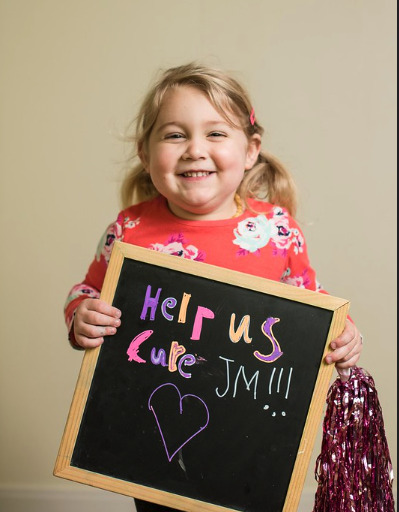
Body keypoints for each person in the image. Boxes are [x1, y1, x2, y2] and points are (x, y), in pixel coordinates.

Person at [64, 62, 363, 512]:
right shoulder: (129, 230)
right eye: (174, 135)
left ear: (250, 150)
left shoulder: (275, 230)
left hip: (247, 435)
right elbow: (87, 292)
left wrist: (344, 333)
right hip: (158, 426)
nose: (194, 150)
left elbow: (311, 303)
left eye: (216, 134)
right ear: (145, 154)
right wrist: (82, 317)